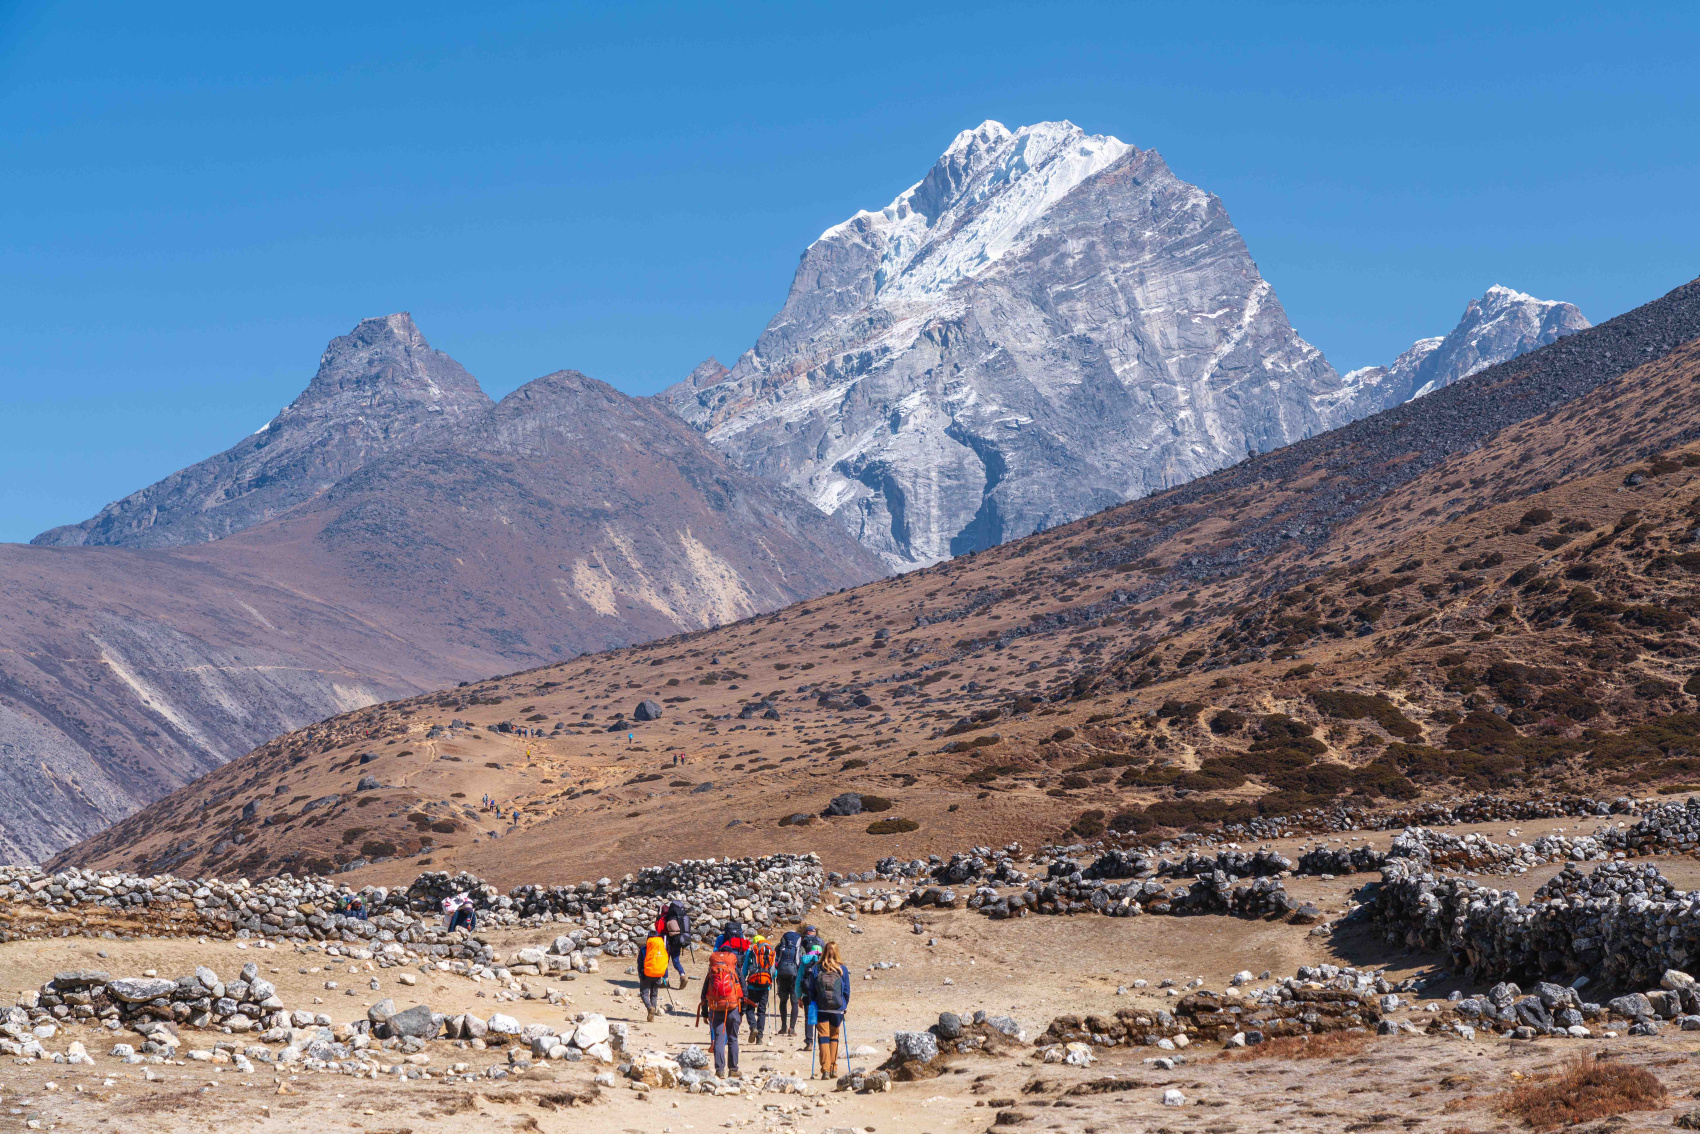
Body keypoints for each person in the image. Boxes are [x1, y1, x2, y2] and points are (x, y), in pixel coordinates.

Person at [697, 940, 744, 1078]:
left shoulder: (712, 971)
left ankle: (720, 1070)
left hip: (716, 1007)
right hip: (733, 1008)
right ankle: (733, 1069)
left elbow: (704, 994)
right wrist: (742, 1011)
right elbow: (744, 991)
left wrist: (705, 1013)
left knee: (719, 1039)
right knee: (733, 1038)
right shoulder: (735, 970)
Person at [804, 941, 850, 1079]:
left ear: (823, 952)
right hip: (838, 1009)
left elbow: (811, 990)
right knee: (834, 1037)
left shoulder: (817, 968)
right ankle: (834, 1069)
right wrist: (843, 1005)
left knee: (823, 1038)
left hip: (821, 1009)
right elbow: (846, 991)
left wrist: (814, 1004)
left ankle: (825, 1070)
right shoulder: (842, 969)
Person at [791, 932, 825, 1051]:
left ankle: (809, 1042)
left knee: (808, 1017)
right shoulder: (823, 962)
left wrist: (798, 996)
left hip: (807, 994)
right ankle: (822, 1041)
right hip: (821, 994)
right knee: (821, 1017)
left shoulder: (804, 961)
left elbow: (799, 979)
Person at [740, 933, 776, 1044]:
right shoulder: (770, 952)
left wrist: (742, 982)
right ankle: (759, 1038)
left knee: (749, 1009)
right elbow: (774, 972)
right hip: (765, 987)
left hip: (752, 986)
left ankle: (753, 1027)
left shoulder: (751, 952)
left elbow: (744, 970)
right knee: (762, 1011)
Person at [773, 927, 802, 1037]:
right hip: (794, 976)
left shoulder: (780, 946)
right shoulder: (799, 947)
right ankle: (792, 1028)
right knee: (794, 1002)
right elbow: (800, 961)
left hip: (782, 975)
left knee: (783, 1001)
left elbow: (775, 961)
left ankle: (783, 1027)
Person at [657, 900, 691, 988]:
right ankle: (682, 975)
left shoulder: (664, 918)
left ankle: (665, 981)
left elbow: (659, 930)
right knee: (676, 961)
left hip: (667, 942)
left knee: (665, 962)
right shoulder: (678, 917)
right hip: (677, 940)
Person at [639, 930, 670, 1022]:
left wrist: (640, 973)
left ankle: (649, 1007)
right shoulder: (662, 949)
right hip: (658, 974)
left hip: (646, 973)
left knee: (644, 993)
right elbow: (665, 963)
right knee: (654, 994)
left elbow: (640, 962)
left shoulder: (644, 949)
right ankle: (652, 1016)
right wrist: (665, 976)